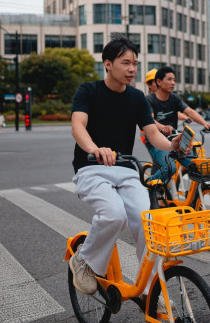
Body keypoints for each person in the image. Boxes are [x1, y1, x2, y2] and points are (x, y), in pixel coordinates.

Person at [68, 35, 184, 296]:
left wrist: (172, 144)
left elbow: (152, 133)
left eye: (135, 63)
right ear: (108, 64)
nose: (132, 69)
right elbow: (78, 126)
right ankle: (83, 261)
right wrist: (94, 149)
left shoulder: (136, 98)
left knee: (147, 223)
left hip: (126, 171)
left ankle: (151, 290)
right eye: (125, 63)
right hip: (91, 168)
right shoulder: (88, 91)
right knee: (114, 214)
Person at [145, 66, 210, 182]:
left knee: (197, 166)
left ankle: (195, 198)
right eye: (169, 79)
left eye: (174, 80)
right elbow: (150, 119)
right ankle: (148, 186)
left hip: (175, 140)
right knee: (170, 168)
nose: (173, 83)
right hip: (157, 142)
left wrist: (205, 123)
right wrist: (162, 127)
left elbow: (190, 112)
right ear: (159, 82)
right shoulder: (149, 100)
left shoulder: (174, 98)